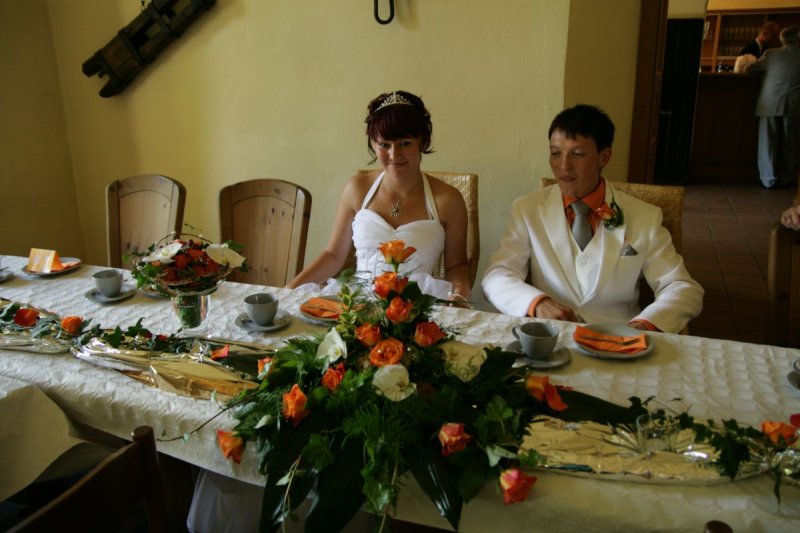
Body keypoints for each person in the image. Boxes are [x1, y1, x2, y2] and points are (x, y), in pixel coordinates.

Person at [481, 104, 703, 334]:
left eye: (577, 154)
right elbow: (497, 275)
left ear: (603, 157)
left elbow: (681, 286)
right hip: (550, 336)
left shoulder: (645, 216)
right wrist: (537, 303)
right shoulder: (527, 209)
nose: (563, 166)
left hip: (618, 339)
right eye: (555, 153)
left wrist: (646, 324)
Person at [287, 90, 472, 301]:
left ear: (423, 141)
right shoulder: (357, 188)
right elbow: (334, 255)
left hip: (415, 309)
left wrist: (459, 296)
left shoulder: (448, 200)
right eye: (384, 145)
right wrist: (288, 290)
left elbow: (456, 266)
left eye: (405, 143)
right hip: (357, 306)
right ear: (373, 144)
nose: (394, 155)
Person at [744, 27, 800, 189]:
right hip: (794, 104)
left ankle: (768, 179)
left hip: (770, 102)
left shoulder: (772, 54)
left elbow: (749, 69)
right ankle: (786, 177)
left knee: (767, 141)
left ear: (781, 39)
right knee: (789, 143)